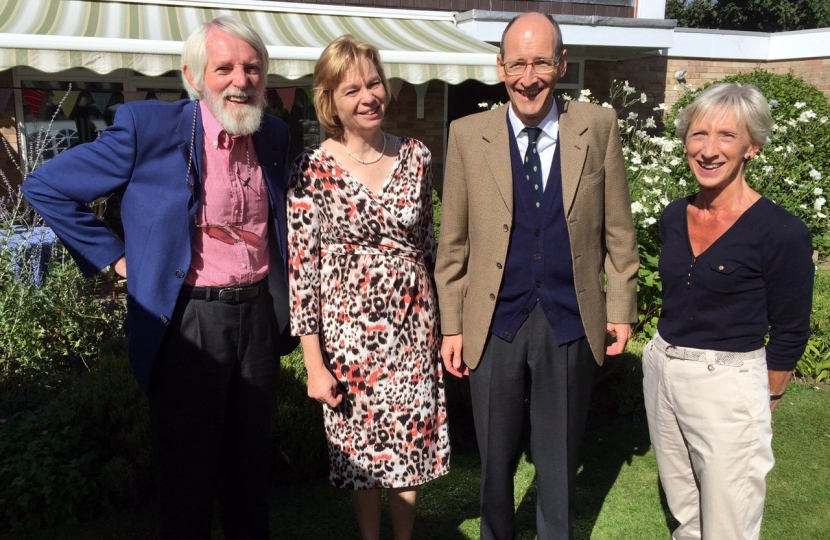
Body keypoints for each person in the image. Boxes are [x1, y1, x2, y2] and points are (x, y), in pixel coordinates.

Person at [22, 16, 296, 540]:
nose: (241, 79)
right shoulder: (149, 127)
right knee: (187, 484)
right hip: (187, 322)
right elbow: (47, 187)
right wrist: (120, 260)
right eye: (225, 68)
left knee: (251, 476)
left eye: (253, 67)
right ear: (194, 77)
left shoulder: (274, 134)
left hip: (257, 318)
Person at [434, 12, 639, 540]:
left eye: (542, 61)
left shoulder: (597, 126)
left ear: (562, 63)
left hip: (568, 319)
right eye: (518, 63)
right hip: (494, 319)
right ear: (500, 66)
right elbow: (453, 242)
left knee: (559, 462)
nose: (529, 77)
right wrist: (452, 325)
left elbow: (618, 228)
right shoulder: (466, 134)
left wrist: (620, 307)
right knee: (494, 463)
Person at [287, 35, 450, 540]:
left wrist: (447, 328)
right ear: (330, 101)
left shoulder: (417, 156)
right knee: (360, 454)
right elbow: (301, 272)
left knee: (407, 447)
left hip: (412, 331)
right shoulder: (312, 169)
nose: (368, 96)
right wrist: (314, 364)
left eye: (374, 82)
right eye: (351, 88)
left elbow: (428, 245)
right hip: (349, 342)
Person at [643, 82, 814, 540]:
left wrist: (768, 398)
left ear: (751, 148)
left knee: (729, 524)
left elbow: (791, 330)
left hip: (727, 382)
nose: (708, 149)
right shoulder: (673, 214)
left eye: (726, 136)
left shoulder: (781, 232)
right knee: (687, 515)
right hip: (662, 366)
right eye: (698, 134)